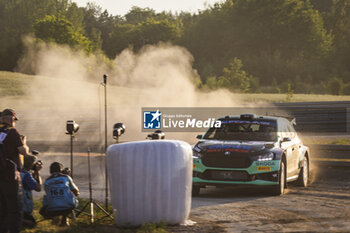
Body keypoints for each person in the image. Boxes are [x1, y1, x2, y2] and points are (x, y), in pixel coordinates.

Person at [0, 109, 34, 233]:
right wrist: (23, 143)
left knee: (2, 207)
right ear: (11, 119)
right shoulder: (12, 132)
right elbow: (23, 152)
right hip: (10, 175)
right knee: (15, 208)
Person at [40, 162, 79, 226]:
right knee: (69, 200)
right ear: (61, 170)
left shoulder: (47, 181)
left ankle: (54, 217)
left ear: (50, 171)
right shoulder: (66, 177)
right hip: (67, 206)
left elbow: (48, 193)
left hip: (51, 208)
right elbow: (76, 192)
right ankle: (65, 218)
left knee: (42, 211)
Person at [20, 156, 42, 228]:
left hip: (15, 205)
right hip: (23, 207)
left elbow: (31, 183)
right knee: (32, 224)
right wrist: (37, 172)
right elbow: (38, 188)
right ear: (31, 165)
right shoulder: (26, 175)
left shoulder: (17, 171)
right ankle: (18, 220)